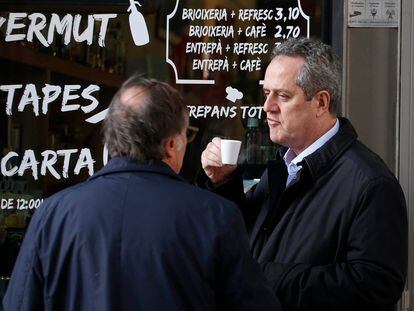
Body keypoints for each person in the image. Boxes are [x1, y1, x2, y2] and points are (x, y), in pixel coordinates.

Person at [3, 76, 281, 311]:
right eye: (187, 134)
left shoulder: (53, 214)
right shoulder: (214, 216)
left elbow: (20, 304)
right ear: (172, 144)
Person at [200, 37, 408, 311]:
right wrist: (222, 182)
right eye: (266, 94)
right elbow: (240, 234)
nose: (268, 107)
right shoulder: (279, 166)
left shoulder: (371, 183)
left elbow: (376, 284)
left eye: (282, 96)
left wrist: (269, 277)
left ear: (321, 102)